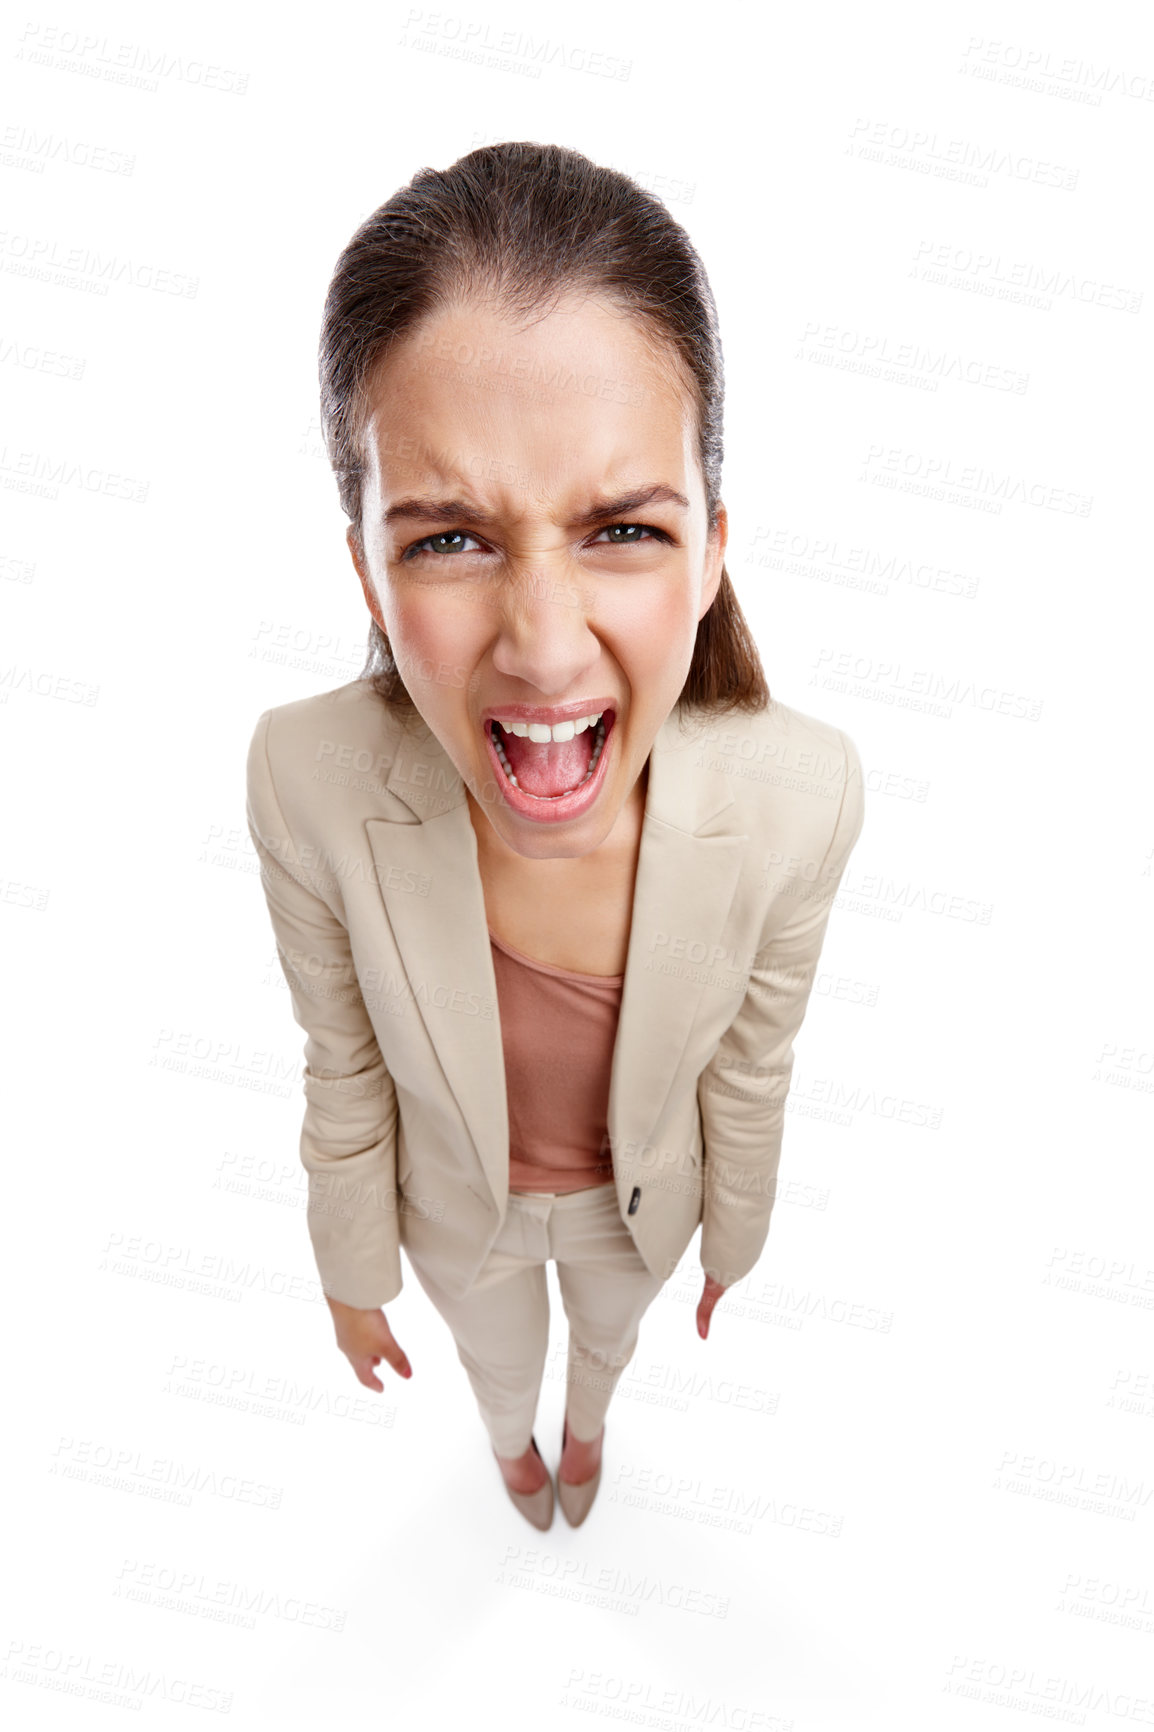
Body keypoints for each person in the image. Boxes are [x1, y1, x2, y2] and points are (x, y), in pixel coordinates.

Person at [245, 141, 865, 1532]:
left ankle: (584, 1436)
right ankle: (514, 1448)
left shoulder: (800, 797)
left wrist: (736, 1245)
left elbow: (754, 1068)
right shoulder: (304, 775)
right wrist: (351, 1274)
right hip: (454, 1222)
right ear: (364, 565)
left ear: (711, 548)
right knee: (497, 1363)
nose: (537, 647)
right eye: (449, 540)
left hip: (635, 1218)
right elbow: (340, 1062)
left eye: (622, 530)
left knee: (602, 1348)